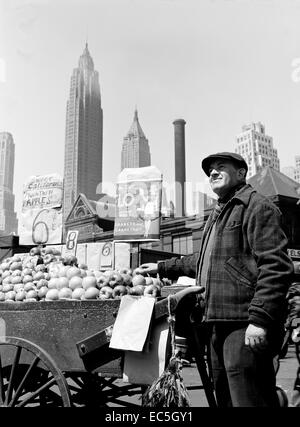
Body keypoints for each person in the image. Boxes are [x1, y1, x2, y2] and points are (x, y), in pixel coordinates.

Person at [137, 152, 294, 407]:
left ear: (241, 173)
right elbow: (203, 259)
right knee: (224, 397)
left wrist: (259, 319)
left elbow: (275, 267)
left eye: (221, 167)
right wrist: (161, 266)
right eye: (210, 170)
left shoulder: (257, 207)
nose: (213, 173)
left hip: (243, 323)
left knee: (247, 397)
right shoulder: (219, 212)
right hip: (216, 321)